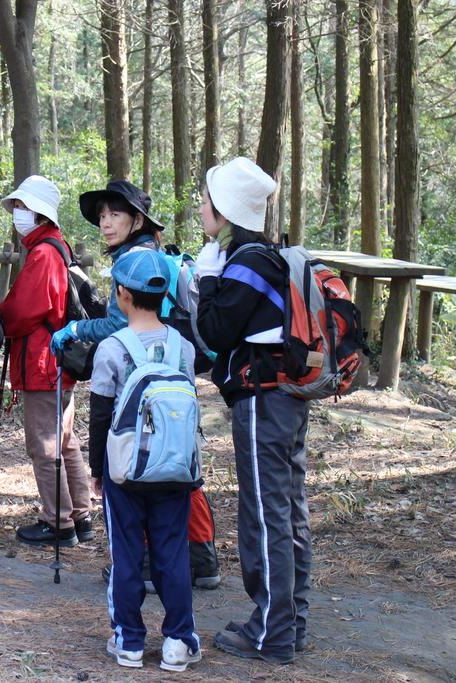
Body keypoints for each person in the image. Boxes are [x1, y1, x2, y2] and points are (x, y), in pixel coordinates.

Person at [52, 180, 220, 589]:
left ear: (138, 219)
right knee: (178, 460)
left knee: (135, 465)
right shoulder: (158, 254)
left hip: (137, 374)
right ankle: (201, 559)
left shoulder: (135, 260)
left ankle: (140, 563)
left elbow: (117, 322)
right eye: (103, 216)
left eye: (115, 215)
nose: (106, 223)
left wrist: (75, 327)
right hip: (174, 374)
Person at [194, 157, 309, 665]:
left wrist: (206, 278)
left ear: (224, 212)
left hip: (264, 400)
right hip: (285, 399)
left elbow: (216, 332)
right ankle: (289, 621)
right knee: (287, 509)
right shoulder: (269, 256)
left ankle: (271, 631)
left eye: (206, 201)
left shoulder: (246, 262)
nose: (201, 208)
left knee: (265, 512)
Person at [94, 249, 202, 672]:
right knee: (172, 553)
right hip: (176, 468)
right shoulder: (184, 348)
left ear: (122, 293)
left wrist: (99, 471)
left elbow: (101, 416)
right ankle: (178, 640)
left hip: (126, 471)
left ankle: (130, 641)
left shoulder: (111, 349)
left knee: (126, 554)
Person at [0, 175, 93, 548]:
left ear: (38, 213)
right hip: (56, 362)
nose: (16, 213)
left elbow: (25, 308)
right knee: (65, 441)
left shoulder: (44, 254)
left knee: (45, 444)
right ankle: (78, 516)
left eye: (21, 207)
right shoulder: (56, 248)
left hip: (43, 363)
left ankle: (58, 522)